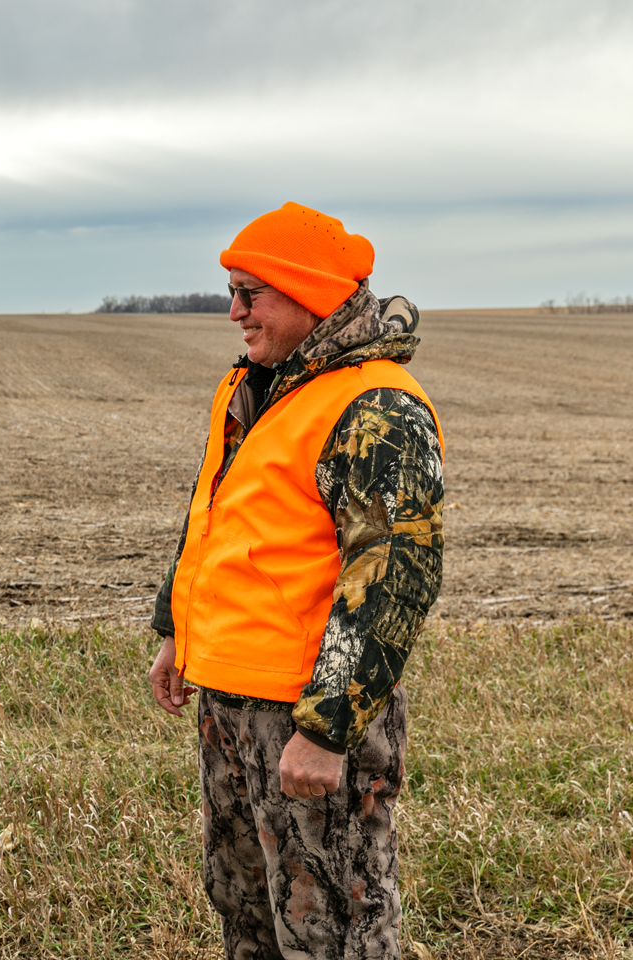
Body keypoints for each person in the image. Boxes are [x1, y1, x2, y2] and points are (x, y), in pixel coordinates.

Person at [147, 202, 444, 959]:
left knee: (333, 929)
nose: (234, 312)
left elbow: (393, 575)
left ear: (310, 295)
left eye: (252, 293)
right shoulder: (252, 388)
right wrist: (178, 628)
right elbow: (213, 513)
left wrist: (326, 729)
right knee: (247, 911)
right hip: (229, 697)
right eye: (233, 292)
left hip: (306, 712)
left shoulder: (375, 406)